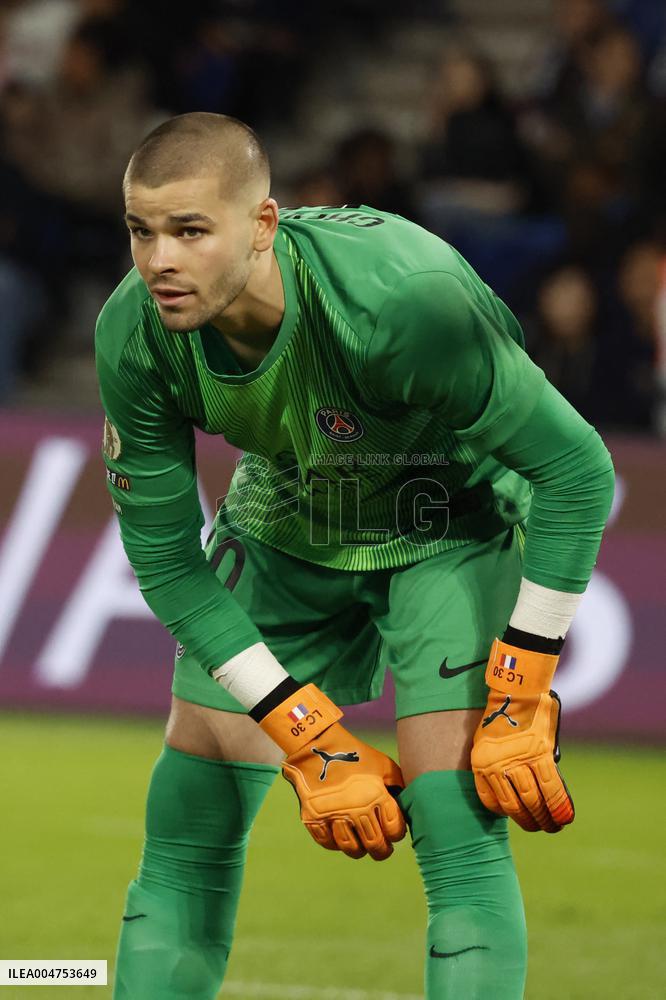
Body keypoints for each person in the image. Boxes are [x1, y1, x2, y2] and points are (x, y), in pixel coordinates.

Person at [96, 112, 615, 1000]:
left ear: (262, 225)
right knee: (188, 820)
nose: (159, 263)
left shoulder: (402, 302)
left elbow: (577, 472)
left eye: (189, 231)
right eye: (142, 231)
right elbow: (168, 565)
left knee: (456, 821)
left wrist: (523, 679)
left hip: (444, 513)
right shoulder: (135, 336)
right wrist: (306, 735)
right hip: (288, 511)